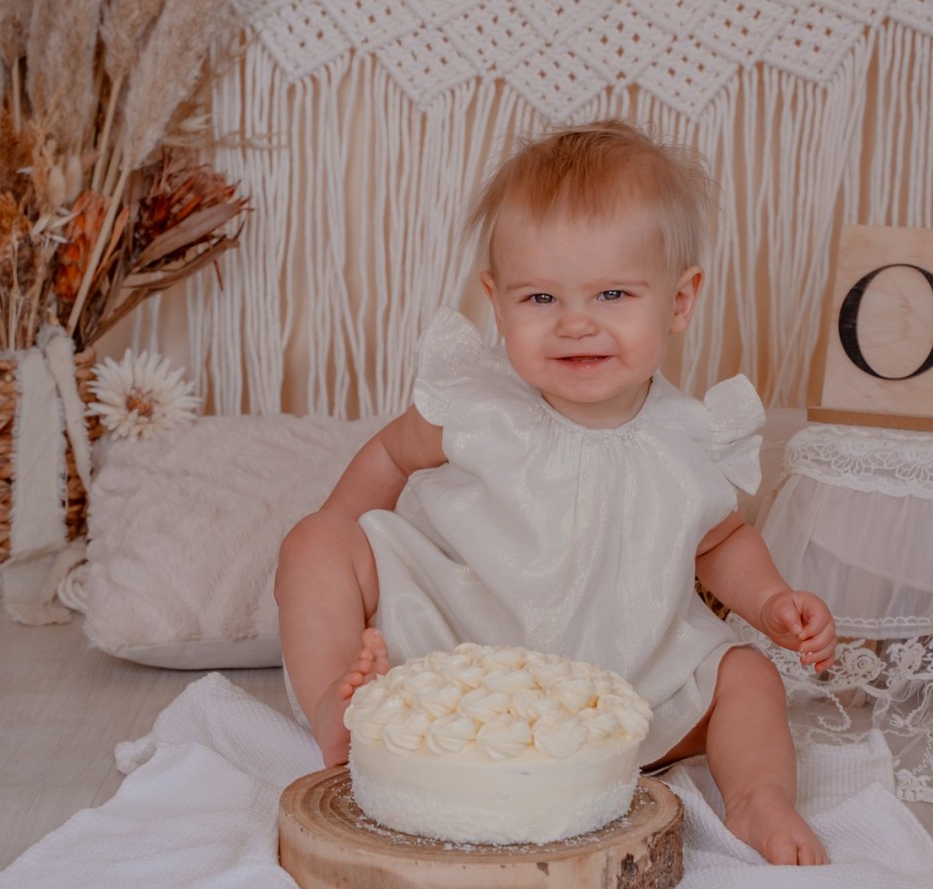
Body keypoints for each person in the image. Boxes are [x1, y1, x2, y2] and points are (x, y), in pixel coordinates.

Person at [275, 120, 837, 865]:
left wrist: (770, 602)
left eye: (612, 293)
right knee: (312, 541)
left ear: (679, 300)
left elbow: (722, 539)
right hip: (453, 652)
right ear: (496, 301)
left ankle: (760, 798)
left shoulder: (691, 440)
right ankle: (344, 718)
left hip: (625, 677)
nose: (576, 323)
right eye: (540, 297)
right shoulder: (476, 405)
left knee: (748, 675)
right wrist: (342, 553)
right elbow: (388, 453)